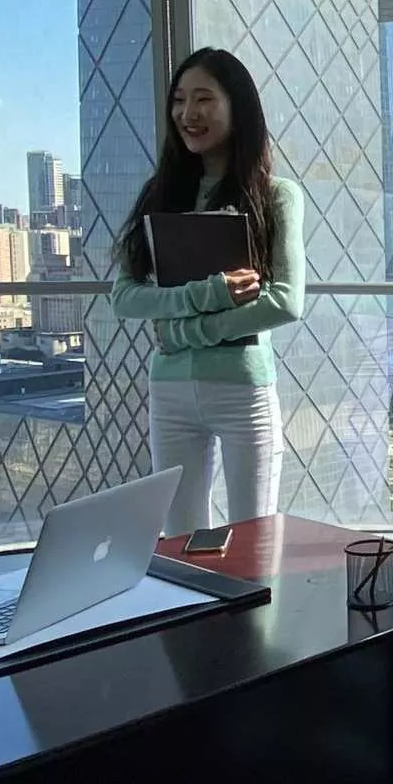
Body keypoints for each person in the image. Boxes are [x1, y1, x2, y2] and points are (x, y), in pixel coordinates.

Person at [109, 47, 306, 535]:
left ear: (238, 106)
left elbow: (285, 301)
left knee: (253, 543)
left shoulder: (275, 195)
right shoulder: (161, 192)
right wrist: (210, 293)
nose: (187, 113)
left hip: (243, 391)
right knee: (182, 541)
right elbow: (125, 297)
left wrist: (183, 333)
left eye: (203, 99)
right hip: (170, 393)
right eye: (179, 100)